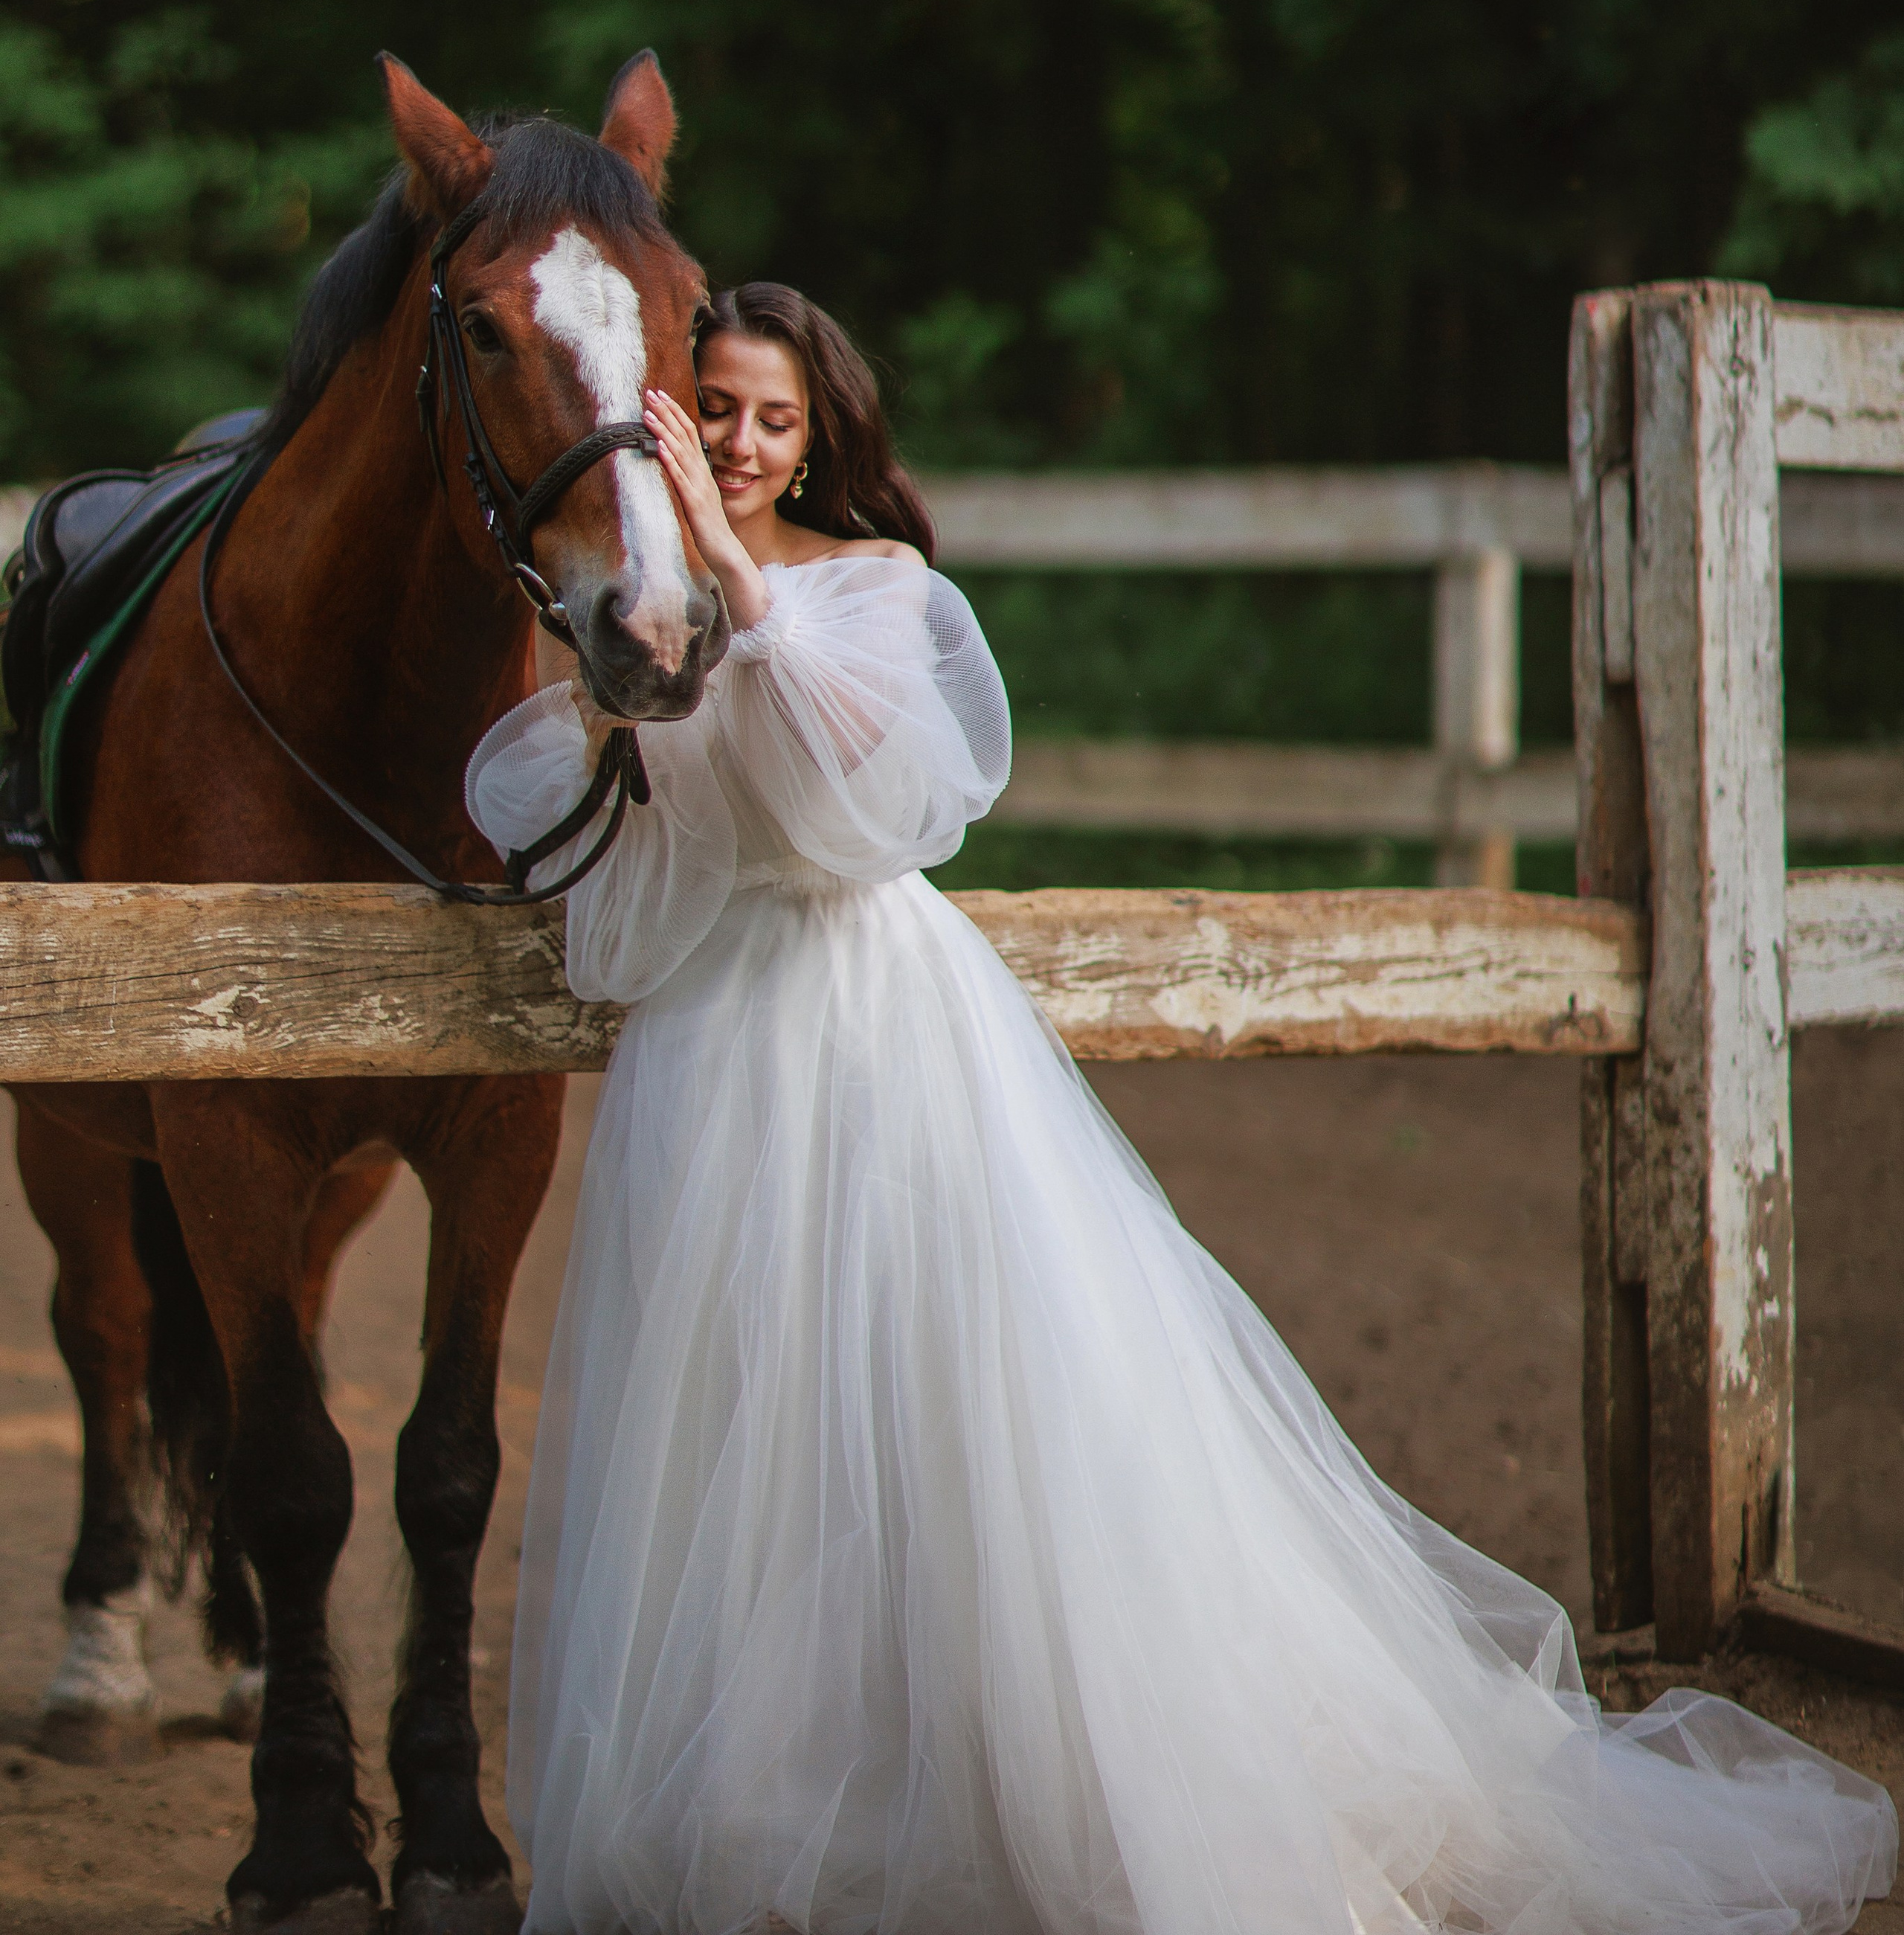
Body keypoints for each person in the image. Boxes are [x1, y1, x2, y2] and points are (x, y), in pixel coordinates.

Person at [469, 281, 1896, 1935]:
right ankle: (777, 1808)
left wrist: (735, 591)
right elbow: (613, 879)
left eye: (770, 419)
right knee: (734, 1431)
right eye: (709, 404)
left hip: (876, 1029)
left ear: (817, 444)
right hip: (717, 1048)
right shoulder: (641, 608)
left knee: (947, 1409)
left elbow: (879, 803)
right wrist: (620, 684)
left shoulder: (872, 590)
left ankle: (1043, 1796)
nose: (733, 440)